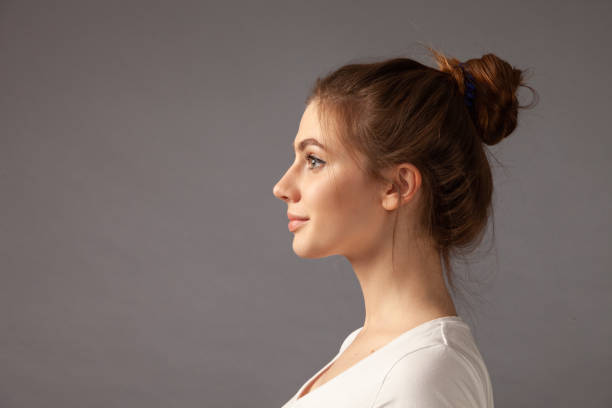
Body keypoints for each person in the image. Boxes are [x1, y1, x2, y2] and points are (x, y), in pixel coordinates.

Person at [272, 46, 537, 408]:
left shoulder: (422, 375)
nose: (282, 188)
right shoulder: (373, 351)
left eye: (315, 159)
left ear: (396, 186)